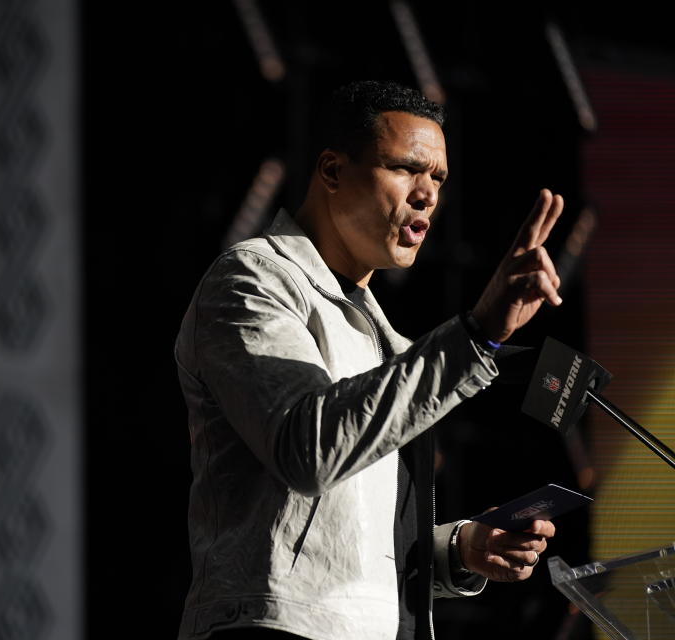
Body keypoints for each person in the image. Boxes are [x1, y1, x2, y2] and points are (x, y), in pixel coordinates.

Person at [174, 80, 562, 640]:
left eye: (439, 178)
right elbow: (307, 450)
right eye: (406, 168)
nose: (427, 194)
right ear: (332, 171)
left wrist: (458, 547)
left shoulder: (385, 338)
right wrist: (476, 336)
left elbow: (343, 533)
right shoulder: (250, 280)